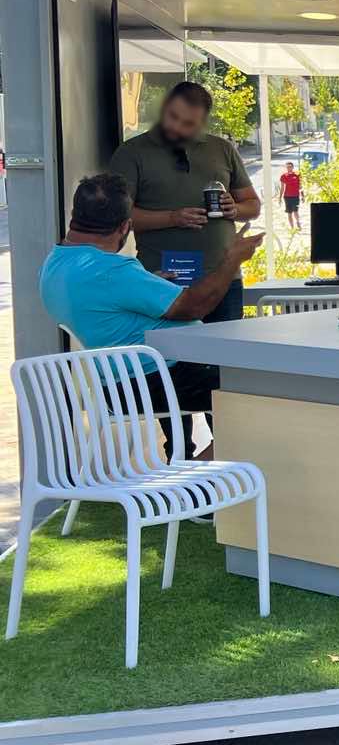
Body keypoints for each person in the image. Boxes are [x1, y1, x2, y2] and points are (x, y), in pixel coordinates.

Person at [39, 172, 263, 460]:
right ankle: (196, 483)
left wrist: (147, 284)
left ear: (76, 216)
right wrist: (232, 259)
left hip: (119, 380)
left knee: (245, 391)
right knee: (260, 393)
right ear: (125, 227)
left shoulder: (56, 262)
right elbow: (194, 306)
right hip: (151, 381)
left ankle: (196, 473)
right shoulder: (111, 271)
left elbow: (104, 301)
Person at [108, 80, 261, 325]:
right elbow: (118, 218)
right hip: (163, 281)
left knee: (226, 349)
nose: (177, 127)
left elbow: (252, 206)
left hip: (224, 279)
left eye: (188, 123)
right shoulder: (131, 153)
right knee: (172, 350)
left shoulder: (221, 149)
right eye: (173, 117)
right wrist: (173, 218)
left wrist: (235, 209)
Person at [277, 161, 303, 232]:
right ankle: (292, 228)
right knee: (289, 213)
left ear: (293, 167)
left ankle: (298, 222)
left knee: (296, 211)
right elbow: (282, 188)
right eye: (287, 167)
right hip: (287, 197)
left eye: (290, 166)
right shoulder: (283, 176)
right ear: (286, 167)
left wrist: (302, 195)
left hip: (296, 196)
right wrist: (280, 197)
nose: (289, 168)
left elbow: (300, 186)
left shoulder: (297, 175)